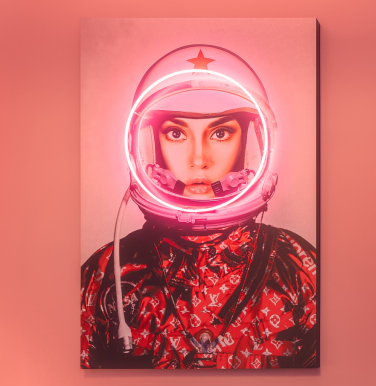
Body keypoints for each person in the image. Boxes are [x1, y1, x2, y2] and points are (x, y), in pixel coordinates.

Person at [81, 44, 318, 369]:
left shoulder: (298, 268)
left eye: (220, 133)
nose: (198, 161)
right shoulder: (108, 273)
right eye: (176, 133)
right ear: (150, 144)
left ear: (250, 141)